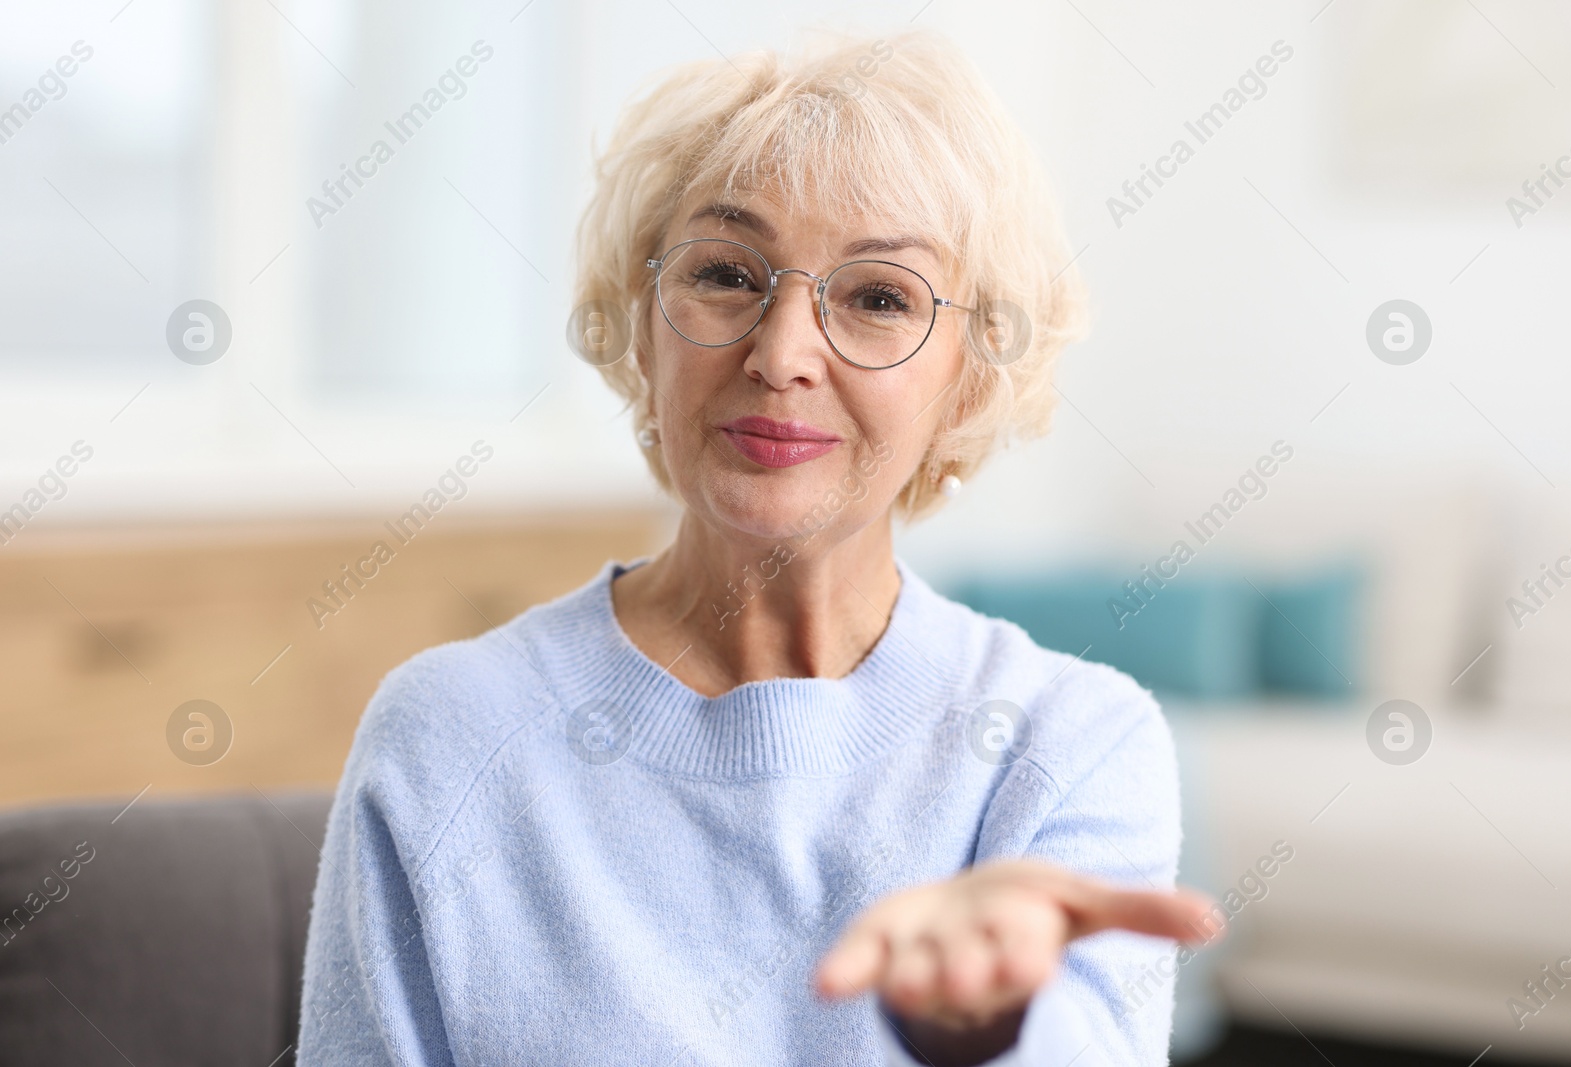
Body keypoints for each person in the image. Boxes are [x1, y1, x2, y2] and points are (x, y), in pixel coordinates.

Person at [298, 28, 1219, 1067]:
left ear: (967, 374)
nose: (781, 355)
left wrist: (988, 1029)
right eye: (727, 274)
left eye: (877, 298)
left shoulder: (1070, 745)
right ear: (640, 325)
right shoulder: (449, 735)